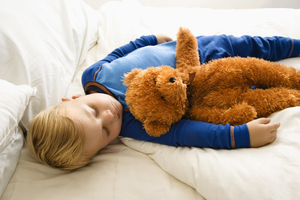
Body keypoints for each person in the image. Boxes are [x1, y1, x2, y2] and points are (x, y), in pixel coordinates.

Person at [27, 32, 300, 170]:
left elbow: (121, 53)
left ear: (73, 97)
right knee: (254, 84)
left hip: (197, 48)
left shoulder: (93, 74)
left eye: (93, 111)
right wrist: (239, 136)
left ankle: (293, 45)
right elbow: (183, 134)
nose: (110, 117)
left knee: (253, 45)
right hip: (205, 86)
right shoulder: (134, 123)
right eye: (105, 132)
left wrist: (151, 39)